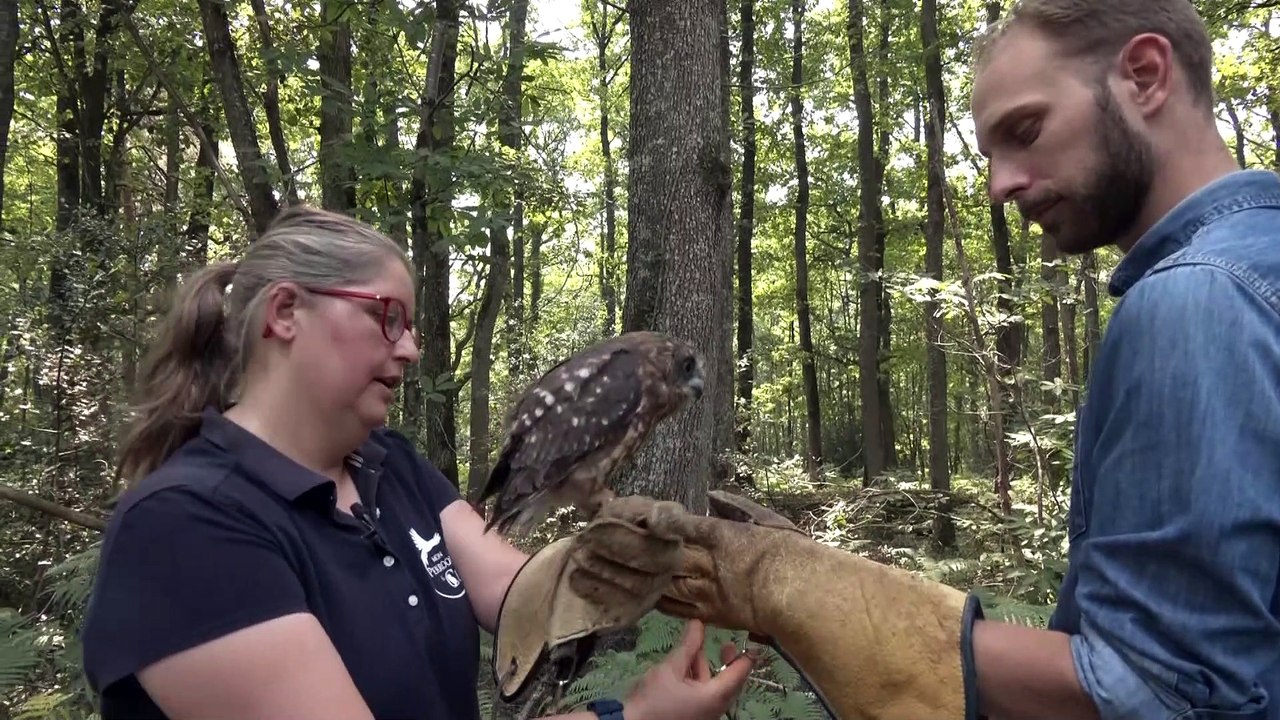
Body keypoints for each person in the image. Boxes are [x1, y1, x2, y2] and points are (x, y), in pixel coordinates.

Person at [555, 0, 1280, 718]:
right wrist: (832, 589)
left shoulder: (1195, 302)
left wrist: (789, 590)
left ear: (1146, 76)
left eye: (1026, 130)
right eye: (990, 154)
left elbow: (1165, 694)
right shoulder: (1257, 266)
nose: (1000, 185)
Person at [78, 205, 756, 720]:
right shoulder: (185, 529)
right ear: (285, 312)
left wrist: (710, 572)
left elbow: (527, 594)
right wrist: (625, 717)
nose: (409, 350)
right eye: (388, 319)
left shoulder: (387, 469)